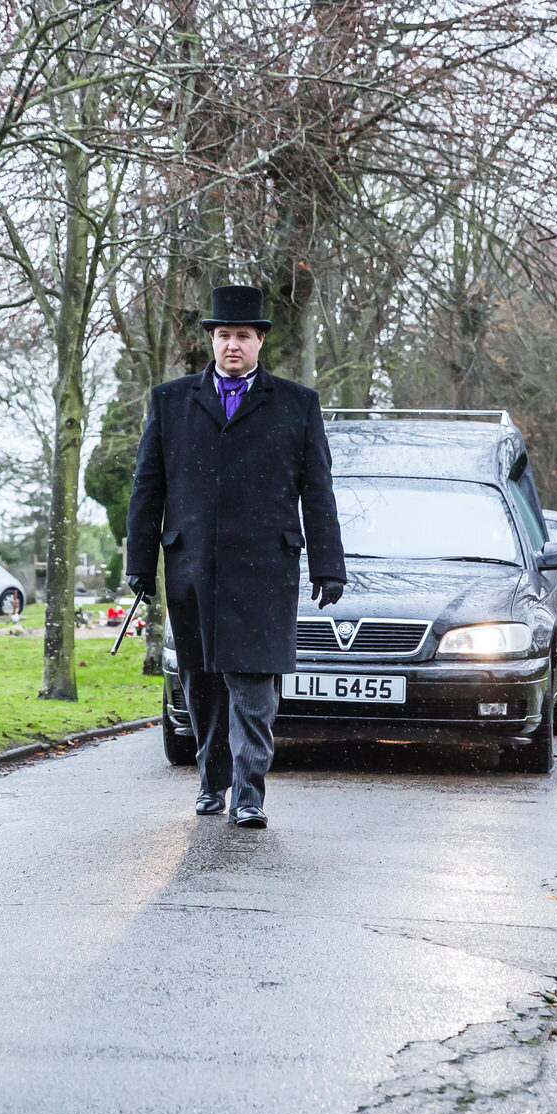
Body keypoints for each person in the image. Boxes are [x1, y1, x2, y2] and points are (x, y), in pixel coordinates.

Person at [124, 285, 345, 827]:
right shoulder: (170, 401)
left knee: (253, 683)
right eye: (223, 335)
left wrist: (328, 563)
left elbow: (317, 490)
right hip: (192, 567)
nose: (231, 345)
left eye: (242, 336)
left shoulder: (297, 404)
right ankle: (211, 780)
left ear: (260, 341)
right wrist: (138, 564)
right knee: (201, 684)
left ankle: (249, 793)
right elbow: (147, 489)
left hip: (264, 567)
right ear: (211, 341)